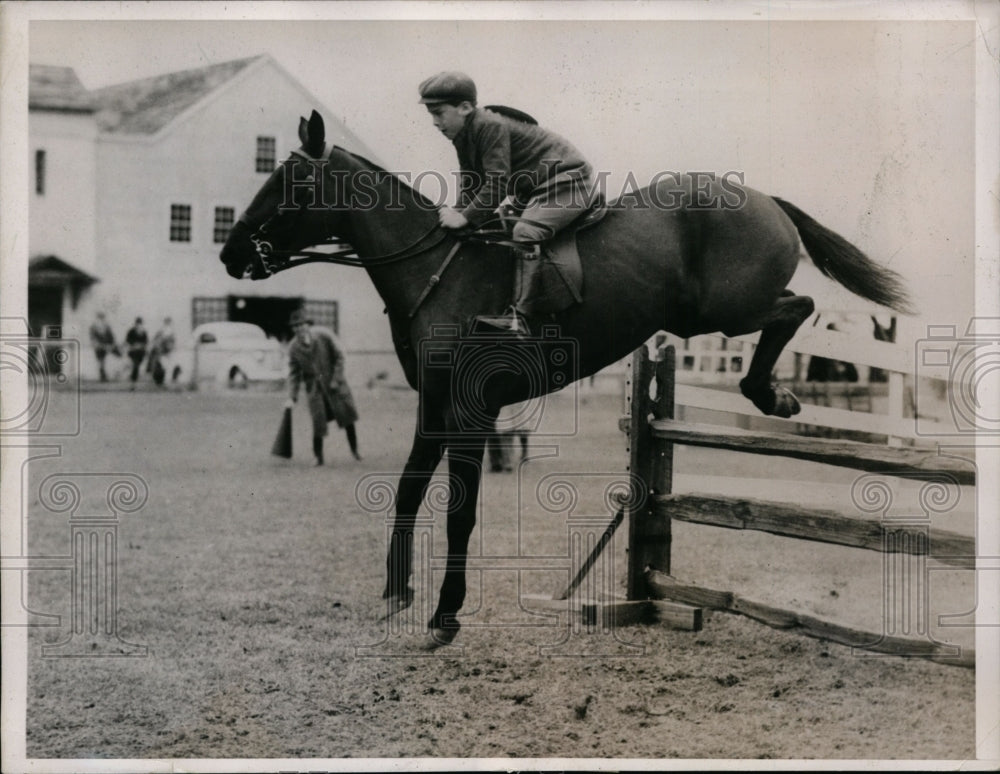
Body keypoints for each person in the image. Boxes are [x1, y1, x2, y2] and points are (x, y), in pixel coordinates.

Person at [418, 71, 596, 334]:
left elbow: (497, 183)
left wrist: (464, 216)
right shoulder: (463, 135)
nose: (434, 122)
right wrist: (458, 213)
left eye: (439, 113)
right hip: (535, 190)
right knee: (487, 226)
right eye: (431, 114)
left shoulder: (489, 126)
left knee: (525, 232)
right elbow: (471, 185)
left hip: (568, 181)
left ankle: (520, 319)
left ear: (465, 107)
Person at [285, 309, 361, 466]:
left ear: (308, 325)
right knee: (318, 423)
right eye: (296, 326)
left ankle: (355, 451)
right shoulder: (293, 348)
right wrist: (292, 397)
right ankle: (318, 457)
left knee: (347, 418)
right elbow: (293, 374)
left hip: (335, 387)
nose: (300, 329)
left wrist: (337, 378)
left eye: (302, 325)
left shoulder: (323, 336)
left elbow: (340, 356)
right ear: (293, 329)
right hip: (315, 390)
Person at [88, 312, 119, 382]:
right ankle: (103, 375)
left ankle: (104, 375)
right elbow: (93, 338)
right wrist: (97, 344)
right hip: (99, 347)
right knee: (101, 361)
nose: (101, 320)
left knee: (103, 361)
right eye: (100, 318)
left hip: (106, 346)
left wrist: (111, 345)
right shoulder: (94, 327)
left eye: (102, 318)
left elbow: (111, 337)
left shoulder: (106, 327)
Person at [148, 316, 177, 387]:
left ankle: (166, 381)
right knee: (162, 366)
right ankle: (160, 381)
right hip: (161, 353)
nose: (168, 324)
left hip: (168, 353)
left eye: (169, 323)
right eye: (167, 323)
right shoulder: (160, 332)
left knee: (168, 366)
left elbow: (173, 343)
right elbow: (156, 341)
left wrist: (170, 348)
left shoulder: (171, 333)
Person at [124, 317, 148, 389]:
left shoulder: (144, 332)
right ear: (135, 324)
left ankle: (133, 380)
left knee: (137, 365)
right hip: (133, 352)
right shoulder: (131, 331)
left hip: (141, 352)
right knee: (135, 365)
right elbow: (128, 340)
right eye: (137, 324)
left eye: (140, 324)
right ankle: (133, 382)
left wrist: (141, 345)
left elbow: (146, 341)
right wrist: (134, 344)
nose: (139, 325)